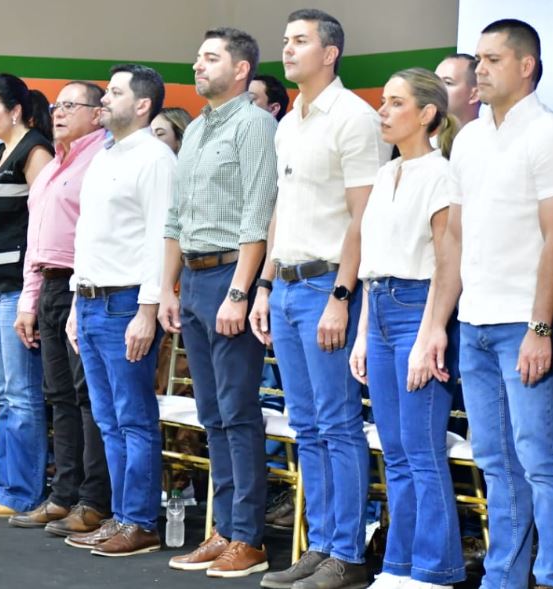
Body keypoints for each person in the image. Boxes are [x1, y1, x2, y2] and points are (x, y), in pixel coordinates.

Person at [248, 9, 390, 589]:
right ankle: (323, 544)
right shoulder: (290, 122)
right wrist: (263, 284)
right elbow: (283, 207)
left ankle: (348, 554)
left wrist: (341, 294)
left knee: (336, 424)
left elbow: (365, 216)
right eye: (285, 41)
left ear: (330, 53)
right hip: (285, 285)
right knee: (305, 425)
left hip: (327, 284)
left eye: (300, 41)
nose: (287, 50)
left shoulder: (353, 118)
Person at [426, 19, 553, 589]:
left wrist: (541, 329)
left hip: (523, 326)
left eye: (493, 59)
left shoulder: (545, 135)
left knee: (541, 463)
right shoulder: (470, 138)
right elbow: (452, 238)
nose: (480, 69)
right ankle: (505, 577)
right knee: (497, 463)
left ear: (526, 66)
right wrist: (437, 323)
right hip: (473, 322)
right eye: (477, 59)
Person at [160, 27, 277, 578]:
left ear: (243, 69)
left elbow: (259, 213)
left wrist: (240, 291)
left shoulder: (255, 124)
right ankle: (224, 528)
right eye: (198, 55)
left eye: (211, 58)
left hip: (234, 273)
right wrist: (168, 286)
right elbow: (176, 219)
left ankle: (248, 538)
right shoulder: (200, 126)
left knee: (237, 411)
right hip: (196, 278)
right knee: (211, 416)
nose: (198, 64)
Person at [349, 68, 465, 589]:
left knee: (421, 450)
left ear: (426, 114)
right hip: (379, 308)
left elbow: (448, 261)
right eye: (383, 101)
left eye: (396, 103)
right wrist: (360, 336)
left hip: (420, 305)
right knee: (393, 450)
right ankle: (398, 565)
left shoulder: (441, 174)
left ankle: (434, 569)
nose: (384, 111)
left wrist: (430, 332)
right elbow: (371, 261)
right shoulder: (386, 173)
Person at [64, 63, 175, 557]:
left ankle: (141, 521)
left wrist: (147, 310)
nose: (104, 100)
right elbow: (90, 236)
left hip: (126, 301)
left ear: (143, 105)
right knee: (108, 419)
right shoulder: (106, 154)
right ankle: (121, 514)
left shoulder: (155, 157)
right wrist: (73, 300)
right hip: (89, 300)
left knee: (133, 418)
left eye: (114, 92)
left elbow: (160, 237)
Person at [8, 81, 112, 534]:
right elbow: (36, 241)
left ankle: (94, 500)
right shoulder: (53, 165)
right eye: (56, 105)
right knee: (59, 398)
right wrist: (28, 300)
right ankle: (63, 494)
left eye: (72, 105)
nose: (60, 112)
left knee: (88, 397)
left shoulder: (102, 159)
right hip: (48, 284)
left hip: (83, 286)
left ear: (98, 113)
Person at [0, 73, 54, 518]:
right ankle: (5, 488)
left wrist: (29, 298)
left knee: (21, 393)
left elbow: (41, 227)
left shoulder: (35, 151)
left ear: (15, 110)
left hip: (21, 288)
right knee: (3, 392)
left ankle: (22, 491)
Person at [434, 54, 480, 129]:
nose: (435, 88)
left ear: (475, 95)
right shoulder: (423, 136)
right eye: (435, 81)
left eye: (447, 83)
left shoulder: (488, 139)